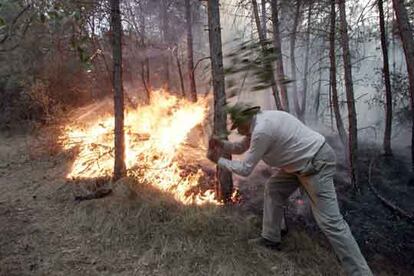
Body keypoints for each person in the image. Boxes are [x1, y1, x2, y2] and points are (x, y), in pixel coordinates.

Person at [207, 103, 372, 276]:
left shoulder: (262, 131)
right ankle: (271, 237)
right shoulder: (259, 123)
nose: (237, 130)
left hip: (316, 164)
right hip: (299, 164)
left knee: (331, 223)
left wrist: (218, 160)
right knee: (274, 188)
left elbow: (245, 169)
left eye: (237, 125)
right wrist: (221, 144)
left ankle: (361, 273)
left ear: (245, 119)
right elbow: (240, 147)